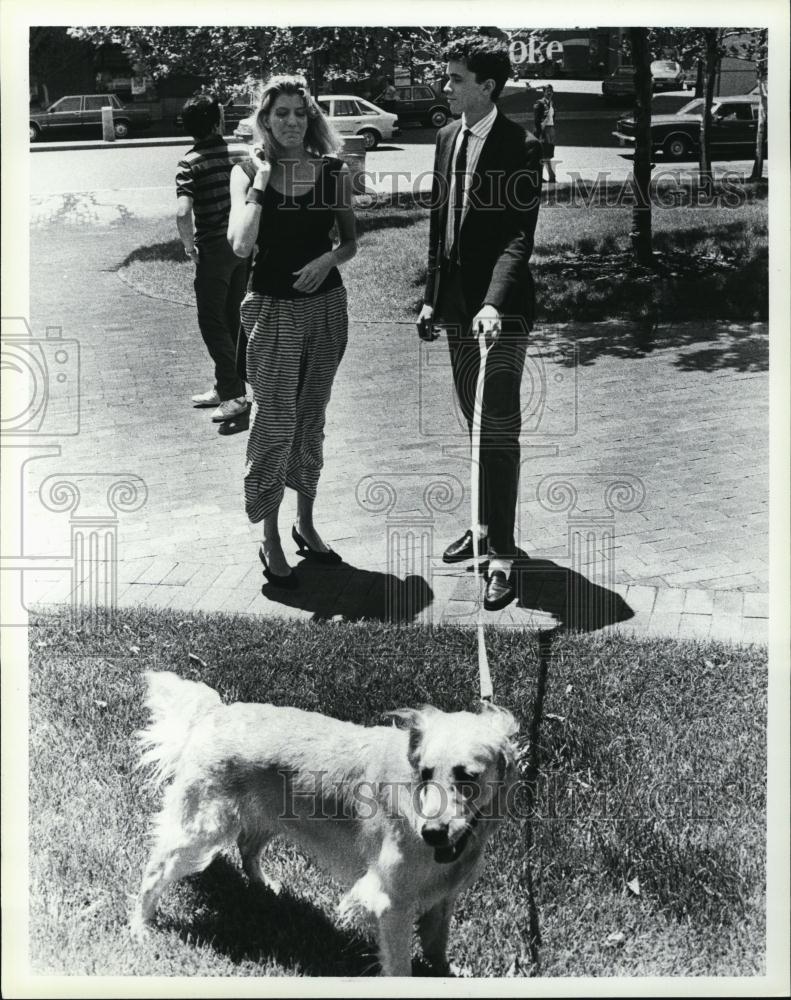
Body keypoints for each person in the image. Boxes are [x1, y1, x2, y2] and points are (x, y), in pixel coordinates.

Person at [417, 36, 542, 611]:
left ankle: (503, 557)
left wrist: (493, 301)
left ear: (487, 87)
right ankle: (482, 526)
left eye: (456, 79)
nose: (446, 87)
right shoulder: (448, 137)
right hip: (456, 311)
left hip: (501, 312)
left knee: (498, 433)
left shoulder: (521, 146)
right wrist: (431, 298)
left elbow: (518, 237)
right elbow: (440, 224)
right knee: (475, 425)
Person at [227, 75, 357, 589]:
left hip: (326, 310)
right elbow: (240, 245)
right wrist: (260, 179)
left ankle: (305, 521)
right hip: (272, 313)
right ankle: (270, 534)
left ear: (311, 118)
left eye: (299, 114)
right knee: (275, 424)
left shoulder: (332, 171)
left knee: (312, 418)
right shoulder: (245, 172)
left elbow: (349, 242)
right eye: (280, 113)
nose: (291, 122)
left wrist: (328, 259)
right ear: (264, 118)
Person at [176, 94, 250, 424]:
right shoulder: (239, 152)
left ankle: (234, 395)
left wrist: (189, 247)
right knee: (234, 318)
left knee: (212, 321)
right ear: (217, 121)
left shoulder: (190, 162)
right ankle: (229, 386)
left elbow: (182, 213)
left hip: (213, 250)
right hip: (241, 247)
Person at [533, 83, 558, 183]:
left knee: (547, 154)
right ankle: (551, 176)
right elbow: (537, 121)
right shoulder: (539, 103)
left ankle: (540, 177)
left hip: (550, 130)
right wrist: (540, 135)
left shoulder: (551, 103)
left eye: (551, 91)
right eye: (547, 91)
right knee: (545, 154)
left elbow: (552, 117)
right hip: (543, 132)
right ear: (543, 92)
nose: (549, 93)